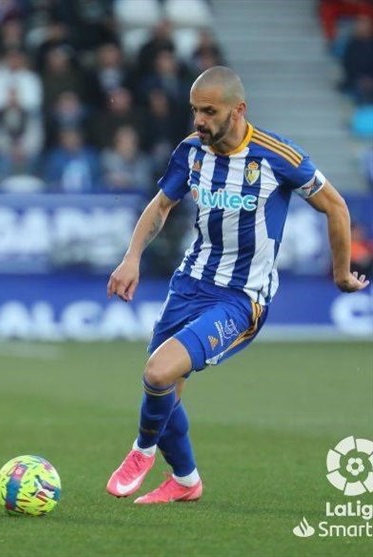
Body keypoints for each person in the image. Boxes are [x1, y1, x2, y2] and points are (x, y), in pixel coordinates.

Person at [104, 66, 370, 504]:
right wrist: (132, 257)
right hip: (190, 283)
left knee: (157, 372)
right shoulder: (191, 151)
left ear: (238, 109)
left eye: (209, 111)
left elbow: (336, 206)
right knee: (166, 389)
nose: (199, 120)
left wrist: (341, 272)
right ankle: (186, 482)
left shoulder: (277, 156)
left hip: (241, 298)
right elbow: (161, 205)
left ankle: (142, 451)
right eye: (195, 110)